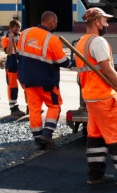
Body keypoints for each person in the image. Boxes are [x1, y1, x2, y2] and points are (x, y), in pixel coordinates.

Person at [75, 7, 117, 187]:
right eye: (105, 21)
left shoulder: (81, 42)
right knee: (116, 135)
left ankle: (95, 175)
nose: (107, 24)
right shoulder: (98, 42)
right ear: (97, 22)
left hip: (90, 97)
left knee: (96, 136)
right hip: (104, 96)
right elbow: (107, 70)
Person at [16, 11, 75, 150]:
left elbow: (19, 54)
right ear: (52, 22)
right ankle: (47, 134)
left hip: (28, 80)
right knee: (54, 106)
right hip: (47, 81)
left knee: (34, 110)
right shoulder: (52, 39)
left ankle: (38, 139)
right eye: (56, 22)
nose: (56, 25)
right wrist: (75, 62)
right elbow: (62, 62)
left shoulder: (24, 33)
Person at [1, 19, 26, 117]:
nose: (18, 31)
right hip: (11, 63)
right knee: (12, 86)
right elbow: (8, 51)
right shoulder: (5, 39)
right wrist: (11, 40)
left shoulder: (21, 37)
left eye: (19, 29)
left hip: (21, 62)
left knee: (26, 84)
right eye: (16, 29)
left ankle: (31, 106)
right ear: (10, 29)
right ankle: (14, 108)